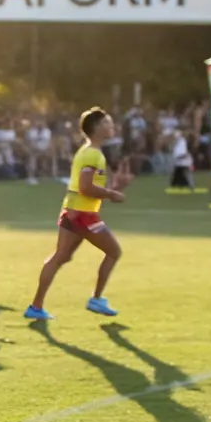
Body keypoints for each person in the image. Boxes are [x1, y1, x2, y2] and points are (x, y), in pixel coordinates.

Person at [24, 107, 131, 321]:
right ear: (98, 128)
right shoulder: (92, 154)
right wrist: (111, 194)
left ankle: (36, 307)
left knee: (61, 257)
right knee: (113, 252)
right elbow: (85, 187)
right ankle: (96, 299)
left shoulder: (88, 152)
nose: (112, 127)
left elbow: (89, 186)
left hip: (74, 211)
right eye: (108, 123)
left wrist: (116, 186)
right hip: (82, 215)